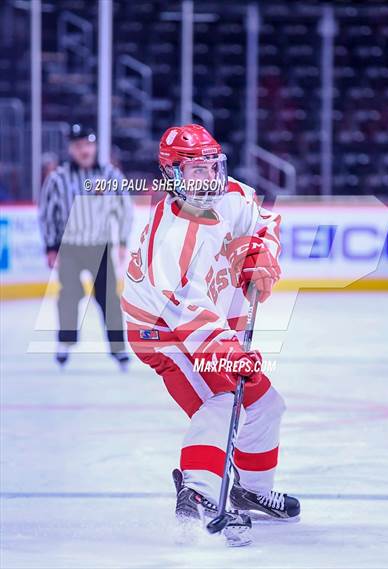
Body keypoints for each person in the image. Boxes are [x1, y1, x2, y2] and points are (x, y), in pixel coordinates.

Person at [121, 124, 299, 545]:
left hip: (203, 327)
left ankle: (249, 492)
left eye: (212, 166)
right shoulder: (170, 240)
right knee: (223, 399)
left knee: (267, 404)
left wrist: (260, 254)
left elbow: (265, 222)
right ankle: (199, 492)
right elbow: (189, 314)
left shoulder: (232, 194)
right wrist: (230, 353)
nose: (208, 178)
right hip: (162, 332)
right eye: (195, 170)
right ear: (172, 176)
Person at [38, 124, 133, 369]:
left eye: (88, 145)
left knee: (109, 300)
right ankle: (65, 341)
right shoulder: (58, 178)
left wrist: (122, 241)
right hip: (69, 248)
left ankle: (118, 347)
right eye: (79, 146)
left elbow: (124, 209)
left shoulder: (110, 175)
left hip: (99, 247)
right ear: (71, 149)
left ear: (95, 146)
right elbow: (48, 213)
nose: (85, 150)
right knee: (68, 296)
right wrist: (50, 246)